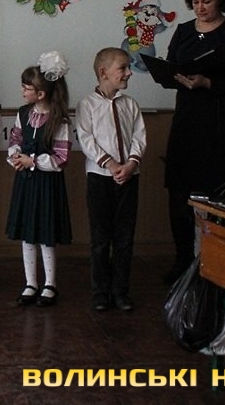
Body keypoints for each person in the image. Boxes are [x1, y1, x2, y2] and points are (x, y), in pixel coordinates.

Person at [162, 0, 225, 284]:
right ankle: (182, 259)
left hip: (219, 122)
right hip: (186, 120)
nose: (200, 7)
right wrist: (175, 76)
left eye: (207, 1)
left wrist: (207, 82)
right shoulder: (184, 31)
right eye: (196, 1)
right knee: (179, 193)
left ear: (220, 1)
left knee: (218, 192)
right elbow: (170, 67)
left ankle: (217, 260)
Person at [74, 47, 146, 312]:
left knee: (124, 238)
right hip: (100, 178)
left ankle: (120, 291)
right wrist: (111, 164)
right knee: (101, 239)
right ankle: (100, 292)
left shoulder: (131, 104)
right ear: (104, 73)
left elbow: (139, 136)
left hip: (129, 177)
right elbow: (86, 140)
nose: (129, 72)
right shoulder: (87, 105)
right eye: (123, 68)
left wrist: (131, 164)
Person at [6, 51, 72, 307]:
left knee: (46, 233)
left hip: (47, 184)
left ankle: (50, 284)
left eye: (27, 88)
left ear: (41, 93)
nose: (22, 91)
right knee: (28, 233)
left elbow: (61, 158)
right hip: (26, 183)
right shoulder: (24, 113)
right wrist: (16, 156)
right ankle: (30, 283)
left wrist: (32, 161)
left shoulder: (59, 120)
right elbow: (15, 139)